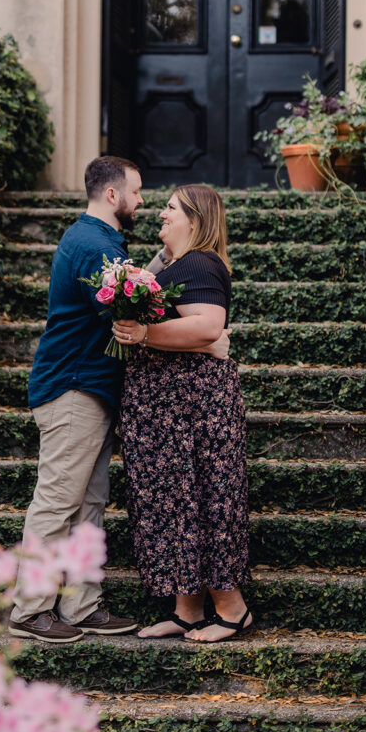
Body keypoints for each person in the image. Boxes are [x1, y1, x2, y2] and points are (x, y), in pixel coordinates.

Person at [9, 159, 229, 644]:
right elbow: (129, 309)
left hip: (94, 389)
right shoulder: (94, 245)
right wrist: (206, 340)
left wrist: (163, 262)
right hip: (73, 387)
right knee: (57, 502)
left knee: (89, 504)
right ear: (113, 195)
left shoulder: (101, 241)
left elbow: (134, 290)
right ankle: (29, 610)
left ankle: (81, 605)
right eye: (138, 190)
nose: (143, 201)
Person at [113, 185, 252, 644]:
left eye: (170, 208)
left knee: (207, 499)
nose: (161, 214)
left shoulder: (200, 262)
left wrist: (144, 333)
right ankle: (187, 611)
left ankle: (232, 609)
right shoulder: (178, 263)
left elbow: (209, 326)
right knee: (174, 503)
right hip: (168, 409)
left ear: (195, 219)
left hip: (194, 407)